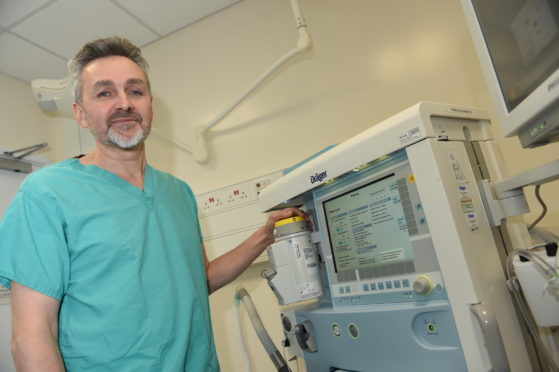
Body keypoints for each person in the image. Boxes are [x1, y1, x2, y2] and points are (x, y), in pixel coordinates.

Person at [0, 36, 304, 372]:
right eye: (104, 92)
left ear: (150, 105)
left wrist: (264, 236)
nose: (124, 103)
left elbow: (197, 280)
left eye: (135, 90)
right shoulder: (47, 194)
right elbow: (31, 338)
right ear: (80, 114)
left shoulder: (179, 193)